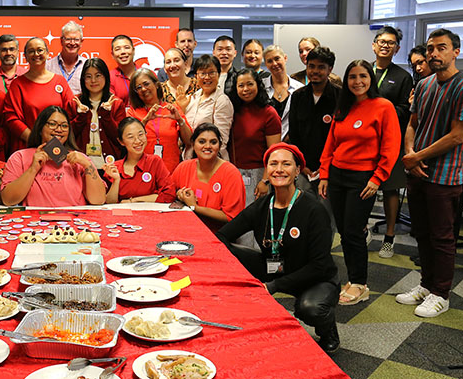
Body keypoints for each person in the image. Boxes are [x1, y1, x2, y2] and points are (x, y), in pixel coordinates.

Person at [216, 143, 340, 353]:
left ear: (297, 170)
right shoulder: (262, 206)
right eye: (273, 164)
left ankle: (328, 329)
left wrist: (273, 286)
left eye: (286, 164)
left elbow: (319, 265)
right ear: (267, 170)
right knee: (224, 249)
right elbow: (222, 235)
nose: (279, 169)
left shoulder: (313, 210)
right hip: (276, 267)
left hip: (314, 277)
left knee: (309, 309)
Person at [398, 29, 463, 318]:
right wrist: (409, 154)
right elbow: (413, 123)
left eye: (441, 48)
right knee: (421, 233)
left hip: (445, 176)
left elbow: (458, 136)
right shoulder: (424, 84)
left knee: (442, 237)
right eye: (431, 48)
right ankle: (426, 285)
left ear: (455, 51)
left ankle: (441, 294)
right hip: (418, 171)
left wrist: (416, 156)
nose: (434, 53)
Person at [318, 59, 400, 306]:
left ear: (370, 79)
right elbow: (331, 144)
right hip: (337, 176)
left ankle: (360, 284)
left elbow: (391, 147)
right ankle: (353, 279)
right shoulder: (344, 107)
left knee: (354, 232)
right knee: (344, 232)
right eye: (352, 77)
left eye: (363, 76)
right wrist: (324, 174)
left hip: (363, 179)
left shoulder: (383, 107)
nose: (357, 82)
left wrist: (378, 178)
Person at [1, 106, 106, 207]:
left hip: (74, 221)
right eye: (52, 124)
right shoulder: (19, 157)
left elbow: (98, 200)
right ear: (40, 128)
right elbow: (8, 200)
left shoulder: (80, 159)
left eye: (64, 126)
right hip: (35, 222)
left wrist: (87, 165)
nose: (59, 130)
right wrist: (33, 169)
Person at [370, 26, 414, 259]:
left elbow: (406, 110)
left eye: (391, 43)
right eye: (382, 41)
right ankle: (361, 229)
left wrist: (380, 112)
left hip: (390, 141)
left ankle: (389, 237)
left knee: (390, 189)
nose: (386, 45)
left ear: (396, 49)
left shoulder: (402, 76)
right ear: (374, 45)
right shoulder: (363, 70)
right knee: (362, 186)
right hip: (364, 142)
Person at [2, 37, 77, 154]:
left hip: (57, 148)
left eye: (40, 50)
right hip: (28, 146)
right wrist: (35, 140)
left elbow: (70, 112)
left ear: (47, 53)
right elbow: (11, 118)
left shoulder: (59, 81)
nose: (36, 54)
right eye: (31, 51)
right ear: (25, 56)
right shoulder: (17, 84)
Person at [170, 123, 246, 231]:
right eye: (202, 141)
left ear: (220, 145)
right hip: (184, 230)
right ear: (193, 144)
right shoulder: (183, 167)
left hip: (219, 236)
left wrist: (195, 207)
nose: (207, 146)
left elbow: (232, 217)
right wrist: (178, 195)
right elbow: (168, 195)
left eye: (213, 142)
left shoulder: (231, 174)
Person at [227, 68, 281, 210]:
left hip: (258, 174)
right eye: (241, 86)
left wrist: (265, 181)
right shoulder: (232, 110)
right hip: (232, 172)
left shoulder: (269, 113)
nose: (246, 89)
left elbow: (273, 152)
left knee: (253, 219)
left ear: (258, 85)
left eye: (250, 84)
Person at [288, 47, 340, 191]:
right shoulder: (298, 96)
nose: (315, 71)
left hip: (331, 169)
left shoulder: (340, 97)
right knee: (303, 208)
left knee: (327, 210)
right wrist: (302, 165)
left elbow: (340, 138)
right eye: (311, 66)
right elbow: (294, 134)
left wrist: (325, 167)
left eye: (321, 67)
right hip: (304, 167)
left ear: (330, 69)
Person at [126, 68, 193, 174]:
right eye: (138, 87)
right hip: (143, 172)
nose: (143, 89)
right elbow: (128, 141)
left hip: (171, 171)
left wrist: (180, 120)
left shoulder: (172, 109)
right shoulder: (132, 112)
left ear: (157, 85)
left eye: (146, 84)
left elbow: (189, 141)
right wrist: (145, 120)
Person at [103, 117, 176, 204]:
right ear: (121, 142)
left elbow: (169, 195)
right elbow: (109, 204)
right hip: (122, 216)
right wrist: (116, 180)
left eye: (140, 135)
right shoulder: (114, 168)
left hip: (151, 215)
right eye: (130, 137)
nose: (137, 141)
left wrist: (133, 200)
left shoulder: (154, 162)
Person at [71, 58, 125, 168]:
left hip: (109, 165)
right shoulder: (74, 103)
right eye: (88, 76)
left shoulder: (116, 103)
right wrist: (81, 116)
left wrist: (106, 115)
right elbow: (68, 136)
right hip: (81, 166)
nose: (93, 80)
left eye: (98, 75)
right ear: (82, 79)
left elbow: (119, 139)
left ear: (106, 77)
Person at [184, 55, 234, 161]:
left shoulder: (222, 101)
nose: (207, 77)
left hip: (212, 161)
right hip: (189, 159)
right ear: (196, 76)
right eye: (202, 73)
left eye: (211, 72)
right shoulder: (192, 98)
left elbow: (221, 141)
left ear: (219, 74)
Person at [262, 45, 304, 139]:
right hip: (264, 142)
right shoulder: (261, 87)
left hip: (291, 143)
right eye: (269, 61)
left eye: (277, 58)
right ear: (266, 64)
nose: (274, 63)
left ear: (285, 58)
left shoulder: (300, 89)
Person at [47, 21, 87, 94]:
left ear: (81, 42)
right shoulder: (48, 66)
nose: (72, 43)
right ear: (61, 41)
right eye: (68, 39)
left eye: (76, 40)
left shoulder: (87, 66)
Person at [109, 34, 136, 105]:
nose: (123, 52)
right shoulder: (109, 78)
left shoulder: (146, 74)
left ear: (133, 51)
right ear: (112, 55)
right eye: (118, 49)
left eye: (126, 48)